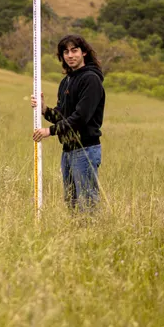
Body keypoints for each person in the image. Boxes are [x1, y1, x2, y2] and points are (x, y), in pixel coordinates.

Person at [31, 34, 106, 212]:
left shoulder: (91, 79)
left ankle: (92, 238)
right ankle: (77, 237)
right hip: (68, 151)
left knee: (88, 204)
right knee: (71, 204)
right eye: (66, 52)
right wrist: (44, 110)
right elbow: (63, 116)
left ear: (84, 52)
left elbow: (81, 117)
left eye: (74, 50)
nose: (70, 55)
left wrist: (50, 131)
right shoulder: (66, 81)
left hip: (85, 150)